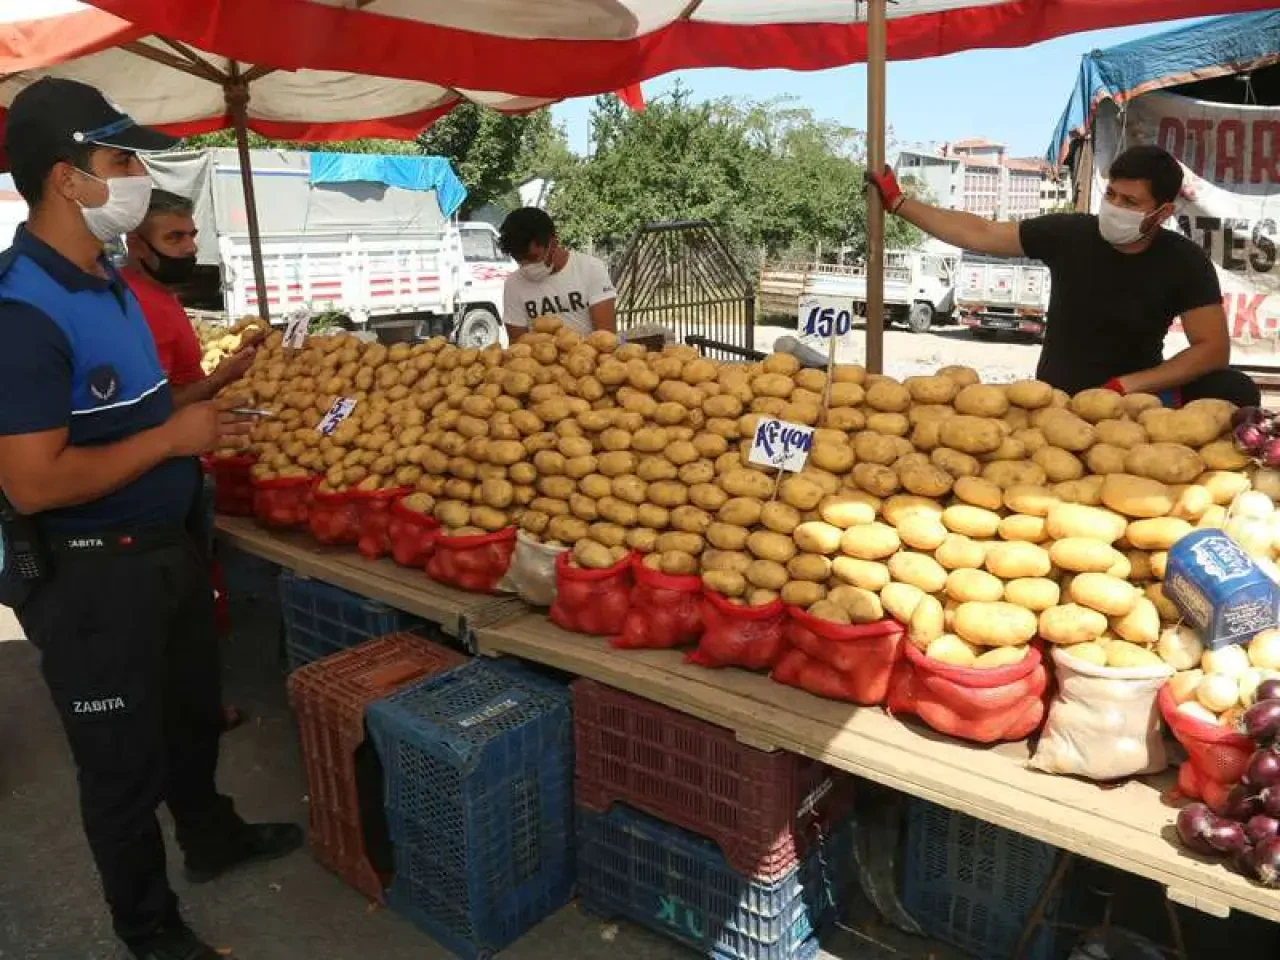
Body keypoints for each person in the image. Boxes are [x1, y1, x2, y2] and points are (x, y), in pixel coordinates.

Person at [0, 77, 301, 960]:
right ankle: (149, 927)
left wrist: (212, 394)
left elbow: (143, 411)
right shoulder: (21, 312)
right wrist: (176, 438)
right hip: (92, 574)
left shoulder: (112, 282)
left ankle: (210, 836)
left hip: (164, 550)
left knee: (189, 717)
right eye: (119, 158)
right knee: (120, 766)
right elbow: (32, 482)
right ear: (67, 178)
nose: (136, 175)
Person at [866, 145, 1260, 407]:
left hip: (1136, 398)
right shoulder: (1070, 234)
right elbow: (982, 232)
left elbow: (1211, 349)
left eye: (1131, 202)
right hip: (1056, 397)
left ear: (1163, 213)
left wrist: (1127, 386)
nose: (1116, 207)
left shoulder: (1185, 260)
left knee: (1234, 388)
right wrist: (900, 203)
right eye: (1112, 196)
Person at [123, 188, 256, 732]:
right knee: (176, 605)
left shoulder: (158, 292)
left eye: (192, 235)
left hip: (181, 467)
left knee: (193, 592)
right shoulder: (133, 305)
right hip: (157, 476)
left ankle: (192, 705)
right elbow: (149, 409)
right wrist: (221, 380)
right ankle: (186, 714)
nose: (189, 247)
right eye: (174, 237)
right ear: (137, 245)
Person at [499, 206, 616, 340]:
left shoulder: (591, 269)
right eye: (519, 259)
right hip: (540, 359)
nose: (526, 266)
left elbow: (608, 338)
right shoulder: (513, 285)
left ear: (553, 243)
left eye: (532, 257)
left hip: (587, 359)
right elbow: (518, 348)